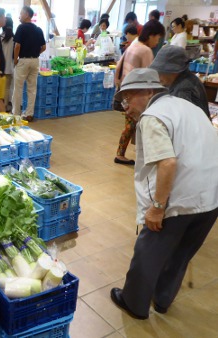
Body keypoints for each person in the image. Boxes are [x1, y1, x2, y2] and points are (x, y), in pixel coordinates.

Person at [110, 68, 218, 320]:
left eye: (129, 98)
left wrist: (158, 206)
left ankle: (134, 303)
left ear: (149, 91)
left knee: (148, 250)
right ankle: (162, 300)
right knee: (181, 254)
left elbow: (167, 163)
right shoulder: (188, 106)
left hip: (178, 199)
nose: (126, 107)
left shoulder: (152, 117)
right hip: (211, 197)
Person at [114, 20, 165, 165]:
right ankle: (127, 155)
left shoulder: (133, 46)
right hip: (138, 96)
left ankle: (121, 154)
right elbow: (151, 76)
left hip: (126, 91)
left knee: (131, 125)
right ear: (150, 35)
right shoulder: (146, 51)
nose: (157, 41)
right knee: (137, 126)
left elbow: (119, 66)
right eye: (157, 38)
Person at [150, 45, 210, 118]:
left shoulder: (183, 89)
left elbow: (181, 121)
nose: (158, 76)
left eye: (162, 71)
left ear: (174, 70)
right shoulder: (187, 79)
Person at [12, 6, 46, 121]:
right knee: (32, 88)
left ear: (26, 14)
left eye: (21, 13)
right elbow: (44, 47)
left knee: (18, 88)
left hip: (23, 60)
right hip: (35, 60)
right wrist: (36, 53)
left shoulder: (21, 28)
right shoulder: (38, 29)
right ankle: (29, 114)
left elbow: (17, 46)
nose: (19, 16)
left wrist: (15, 59)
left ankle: (16, 114)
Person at [2, 16, 14, 112]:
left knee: (3, 87)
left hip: (1, 66)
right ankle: (7, 104)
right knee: (9, 87)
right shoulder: (14, 38)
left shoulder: (1, 37)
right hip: (11, 66)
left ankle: (4, 105)